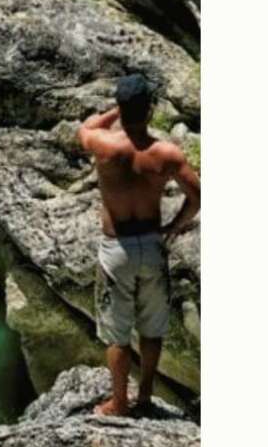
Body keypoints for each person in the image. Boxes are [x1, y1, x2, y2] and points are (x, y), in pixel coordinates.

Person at [77, 74, 200, 418]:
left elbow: (85, 128)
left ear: (122, 108)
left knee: (117, 334)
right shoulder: (167, 154)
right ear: (149, 110)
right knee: (152, 327)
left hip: (117, 249)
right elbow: (198, 196)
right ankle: (144, 396)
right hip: (152, 244)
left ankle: (119, 403)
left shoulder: (105, 146)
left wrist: (115, 110)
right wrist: (173, 226)